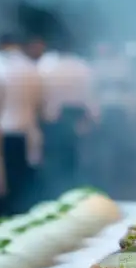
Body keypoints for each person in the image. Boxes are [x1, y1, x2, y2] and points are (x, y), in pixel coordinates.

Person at [0, 33, 42, 215]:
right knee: (22, 183)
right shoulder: (31, 67)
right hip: (24, 132)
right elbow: (39, 103)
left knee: (3, 184)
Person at [37, 39, 99, 196]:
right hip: (76, 119)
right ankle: (72, 193)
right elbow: (91, 96)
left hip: (54, 120)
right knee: (73, 161)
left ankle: (55, 194)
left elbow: (42, 96)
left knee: (54, 163)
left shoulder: (46, 65)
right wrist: (92, 119)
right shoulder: (82, 66)